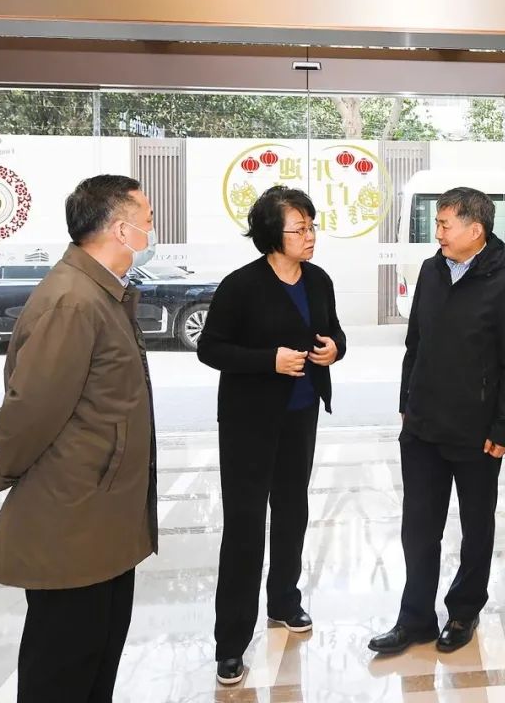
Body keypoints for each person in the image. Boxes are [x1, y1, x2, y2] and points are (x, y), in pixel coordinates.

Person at [0, 174, 159, 702]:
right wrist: (4, 469)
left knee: (96, 660)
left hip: (102, 514)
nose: (152, 230)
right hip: (73, 516)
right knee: (62, 669)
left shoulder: (101, 293)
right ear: (121, 230)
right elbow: (31, 409)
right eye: (147, 220)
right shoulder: (73, 301)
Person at [367, 187, 505, 656]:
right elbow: (415, 343)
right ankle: (415, 619)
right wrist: (407, 400)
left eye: (445, 224)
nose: (437, 233)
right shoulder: (431, 269)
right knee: (419, 528)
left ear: (475, 230)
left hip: (477, 433)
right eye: (438, 224)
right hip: (422, 426)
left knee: (476, 527)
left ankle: (463, 610)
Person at [197, 185, 346, 686]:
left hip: (301, 415)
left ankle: (284, 600)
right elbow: (211, 348)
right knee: (244, 527)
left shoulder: (319, 280)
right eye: (299, 228)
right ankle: (230, 642)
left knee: (291, 512)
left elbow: (335, 333)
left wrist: (333, 350)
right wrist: (269, 361)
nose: (310, 236)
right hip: (249, 422)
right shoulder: (241, 285)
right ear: (270, 234)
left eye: (312, 226)